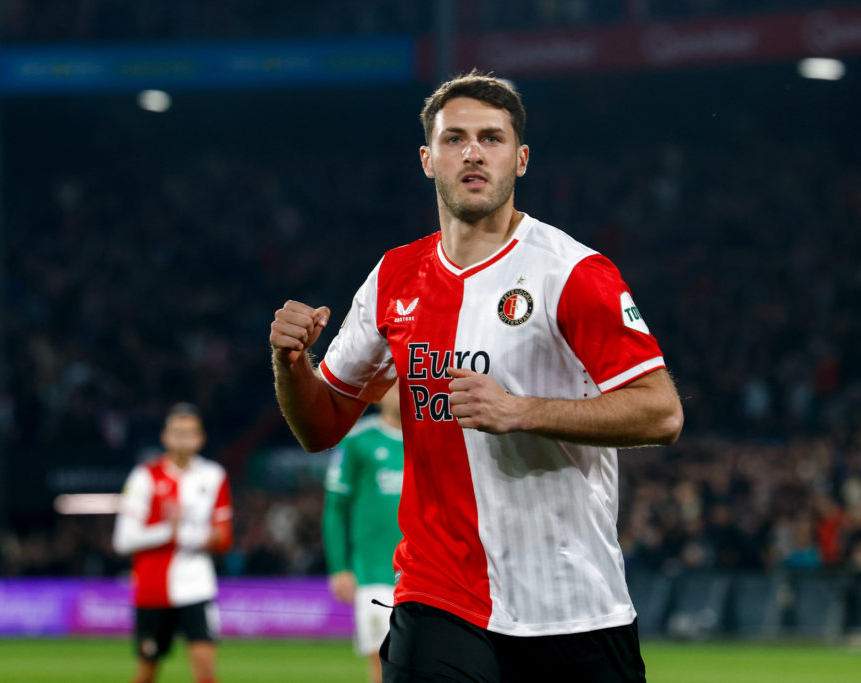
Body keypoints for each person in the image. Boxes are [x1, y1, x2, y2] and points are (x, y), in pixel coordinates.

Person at [269, 70, 683, 682]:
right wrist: (290, 363)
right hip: (437, 593)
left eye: (490, 138)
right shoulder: (393, 277)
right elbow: (320, 425)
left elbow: (662, 412)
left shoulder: (572, 273)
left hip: (570, 601)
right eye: (454, 138)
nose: (472, 152)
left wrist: (523, 411)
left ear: (519, 160)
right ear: (427, 159)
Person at [113, 403, 233, 683]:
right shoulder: (144, 477)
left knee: (205, 672)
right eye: (177, 432)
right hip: (153, 587)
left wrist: (183, 535)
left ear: (201, 438)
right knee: (146, 673)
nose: (183, 438)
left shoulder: (214, 476)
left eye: (189, 433)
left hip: (197, 586)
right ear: (164, 437)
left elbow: (224, 537)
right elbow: (122, 540)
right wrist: (168, 531)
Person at [323, 382, 404, 683]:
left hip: (424, 573)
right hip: (374, 573)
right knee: (383, 667)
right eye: (395, 387)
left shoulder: (429, 437)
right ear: (380, 394)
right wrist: (339, 567)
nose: (401, 392)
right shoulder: (359, 441)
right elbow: (335, 507)